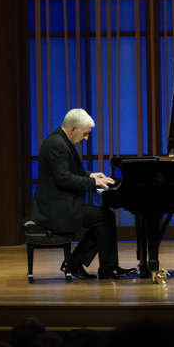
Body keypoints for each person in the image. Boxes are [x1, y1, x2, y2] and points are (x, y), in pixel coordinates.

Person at [33, 108, 136, 280]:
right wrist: (93, 182)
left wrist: (90, 175)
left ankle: (80, 263)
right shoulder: (57, 144)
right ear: (73, 129)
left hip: (61, 203)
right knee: (104, 217)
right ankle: (103, 268)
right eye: (85, 134)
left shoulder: (60, 140)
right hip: (56, 208)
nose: (86, 138)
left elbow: (69, 171)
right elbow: (63, 179)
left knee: (103, 217)